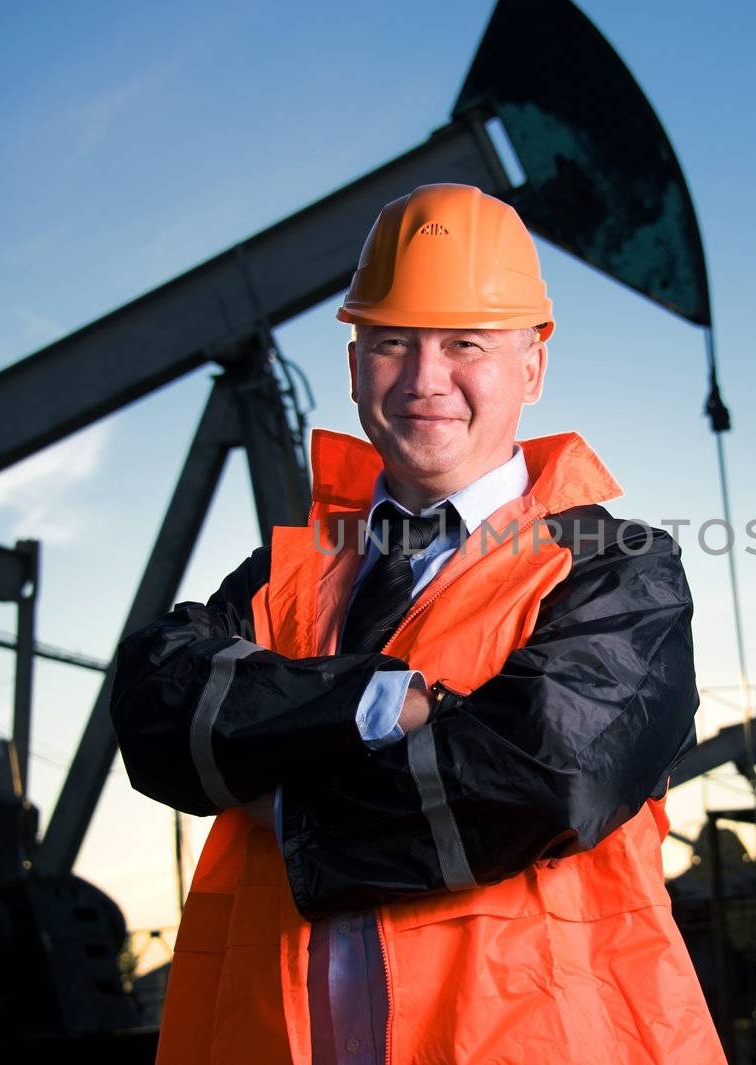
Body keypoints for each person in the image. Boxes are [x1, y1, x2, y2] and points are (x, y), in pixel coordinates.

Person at [112, 183, 724, 1064]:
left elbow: (544, 777)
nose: (425, 379)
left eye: (464, 343)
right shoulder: (289, 572)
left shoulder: (614, 567)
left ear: (531, 366)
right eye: (393, 343)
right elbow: (153, 708)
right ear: (355, 364)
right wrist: (370, 706)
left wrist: (277, 783)